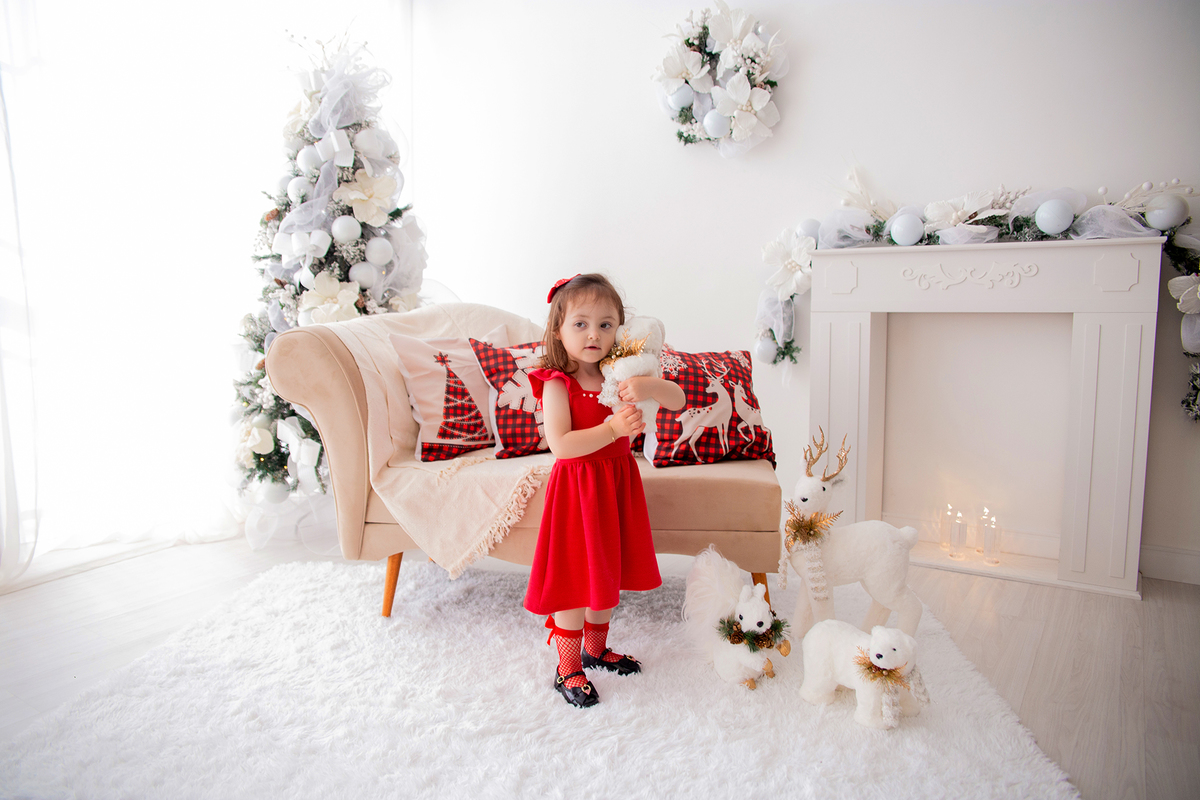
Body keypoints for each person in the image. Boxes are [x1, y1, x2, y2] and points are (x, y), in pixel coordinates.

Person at [525, 273, 686, 708]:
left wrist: (649, 386)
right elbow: (561, 445)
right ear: (558, 330)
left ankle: (595, 649)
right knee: (576, 578)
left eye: (605, 323)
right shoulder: (557, 381)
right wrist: (613, 426)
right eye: (580, 324)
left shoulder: (621, 374)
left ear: (620, 328)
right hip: (577, 489)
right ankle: (568, 665)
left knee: (606, 573)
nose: (593, 334)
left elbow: (677, 400)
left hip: (616, 484)